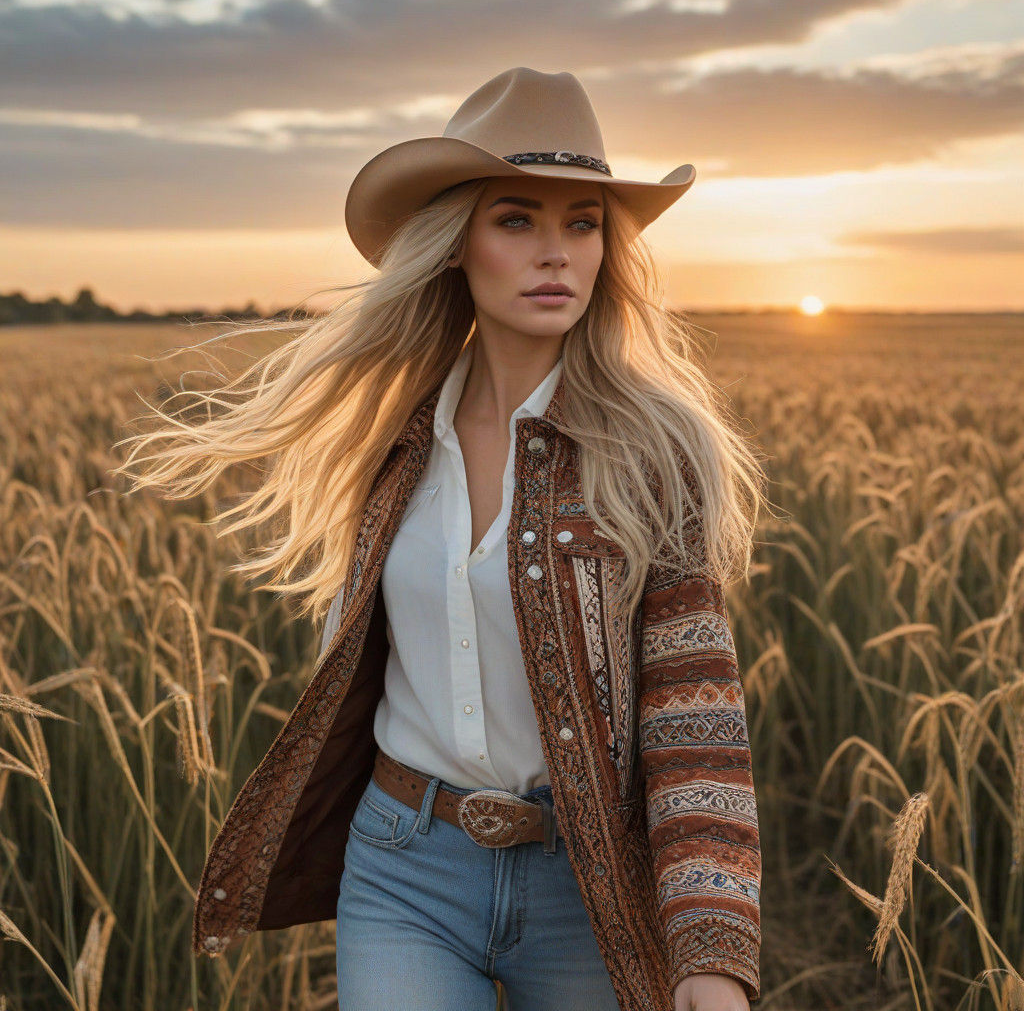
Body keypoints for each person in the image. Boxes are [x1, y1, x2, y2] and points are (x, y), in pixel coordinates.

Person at [115, 67, 768, 1011]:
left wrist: (711, 951)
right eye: (517, 220)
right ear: (456, 242)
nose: (556, 253)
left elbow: (694, 712)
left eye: (583, 223)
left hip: (588, 887)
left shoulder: (654, 453)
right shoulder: (390, 440)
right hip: (404, 867)